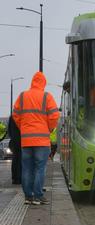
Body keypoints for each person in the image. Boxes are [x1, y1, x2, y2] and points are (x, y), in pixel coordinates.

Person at [13, 71, 60, 205]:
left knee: (27, 168)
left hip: (26, 139)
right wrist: (49, 128)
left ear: (32, 82)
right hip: (42, 140)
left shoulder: (22, 96)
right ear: (43, 83)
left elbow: (15, 114)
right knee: (40, 168)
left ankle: (28, 197)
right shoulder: (47, 96)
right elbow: (54, 116)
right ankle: (38, 195)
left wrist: (23, 127)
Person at [8, 115, 21, 184]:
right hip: (21, 140)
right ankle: (19, 178)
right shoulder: (21, 115)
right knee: (20, 160)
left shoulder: (12, 116)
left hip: (14, 140)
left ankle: (15, 178)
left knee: (15, 159)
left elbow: (9, 130)